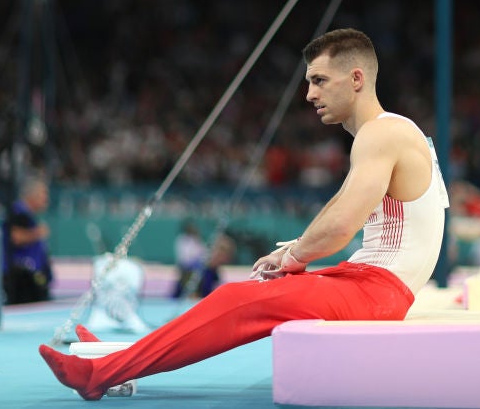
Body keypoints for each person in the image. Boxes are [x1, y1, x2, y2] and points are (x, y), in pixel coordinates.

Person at [38, 28, 450, 400]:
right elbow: (339, 208)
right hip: (368, 280)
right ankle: (124, 355)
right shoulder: (386, 133)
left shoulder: (382, 134)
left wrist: (293, 258)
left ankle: (101, 373)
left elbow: (341, 225)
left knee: (239, 297)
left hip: (378, 291)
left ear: (357, 79)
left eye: (319, 80)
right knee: (249, 288)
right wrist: (292, 250)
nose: (309, 94)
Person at [2, 174, 53, 304]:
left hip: (29, 278)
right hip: (22, 281)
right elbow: (15, 237)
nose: (46, 199)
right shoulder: (19, 212)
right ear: (32, 195)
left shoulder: (27, 215)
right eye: (43, 194)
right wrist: (37, 233)